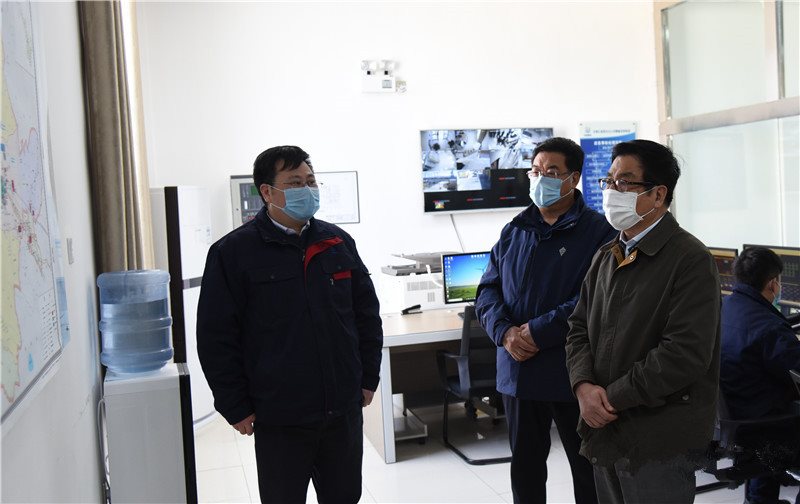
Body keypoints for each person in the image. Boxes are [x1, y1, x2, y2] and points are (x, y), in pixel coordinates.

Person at [196, 145, 383, 503]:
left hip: (341, 410)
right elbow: (216, 336)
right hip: (280, 415)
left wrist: (367, 377)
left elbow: (366, 316)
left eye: (310, 181)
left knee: (345, 497)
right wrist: (235, 404)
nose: (307, 189)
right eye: (295, 183)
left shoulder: (337, 242)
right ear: (267, 192)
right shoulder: (233, 252)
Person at [565, 139, 721, 504]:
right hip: (605, 428)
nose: (611, 191)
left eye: (624, 182)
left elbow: (683, 354)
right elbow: (577, 329)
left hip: (658, 437)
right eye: (609, 181)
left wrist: (609, 400)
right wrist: (583, 386)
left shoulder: (690, 259)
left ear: (657, 195)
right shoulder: (606, 256)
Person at [476, 137, 616, 504]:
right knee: (525, 470)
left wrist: (538, 332)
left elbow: (593, 298)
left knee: (588, 470)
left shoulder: (599, 232)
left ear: (574, 178)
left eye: (552, 172)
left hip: (571, 371)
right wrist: (505, 332)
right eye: (536, 171)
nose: (541, 178)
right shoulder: (515, 229)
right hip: (518, 371)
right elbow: (487, 290)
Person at [720, 246, 800, 504]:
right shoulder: (769, 328)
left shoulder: (723, 308)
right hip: (764, 424)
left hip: (736, 421)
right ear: (772, 283)